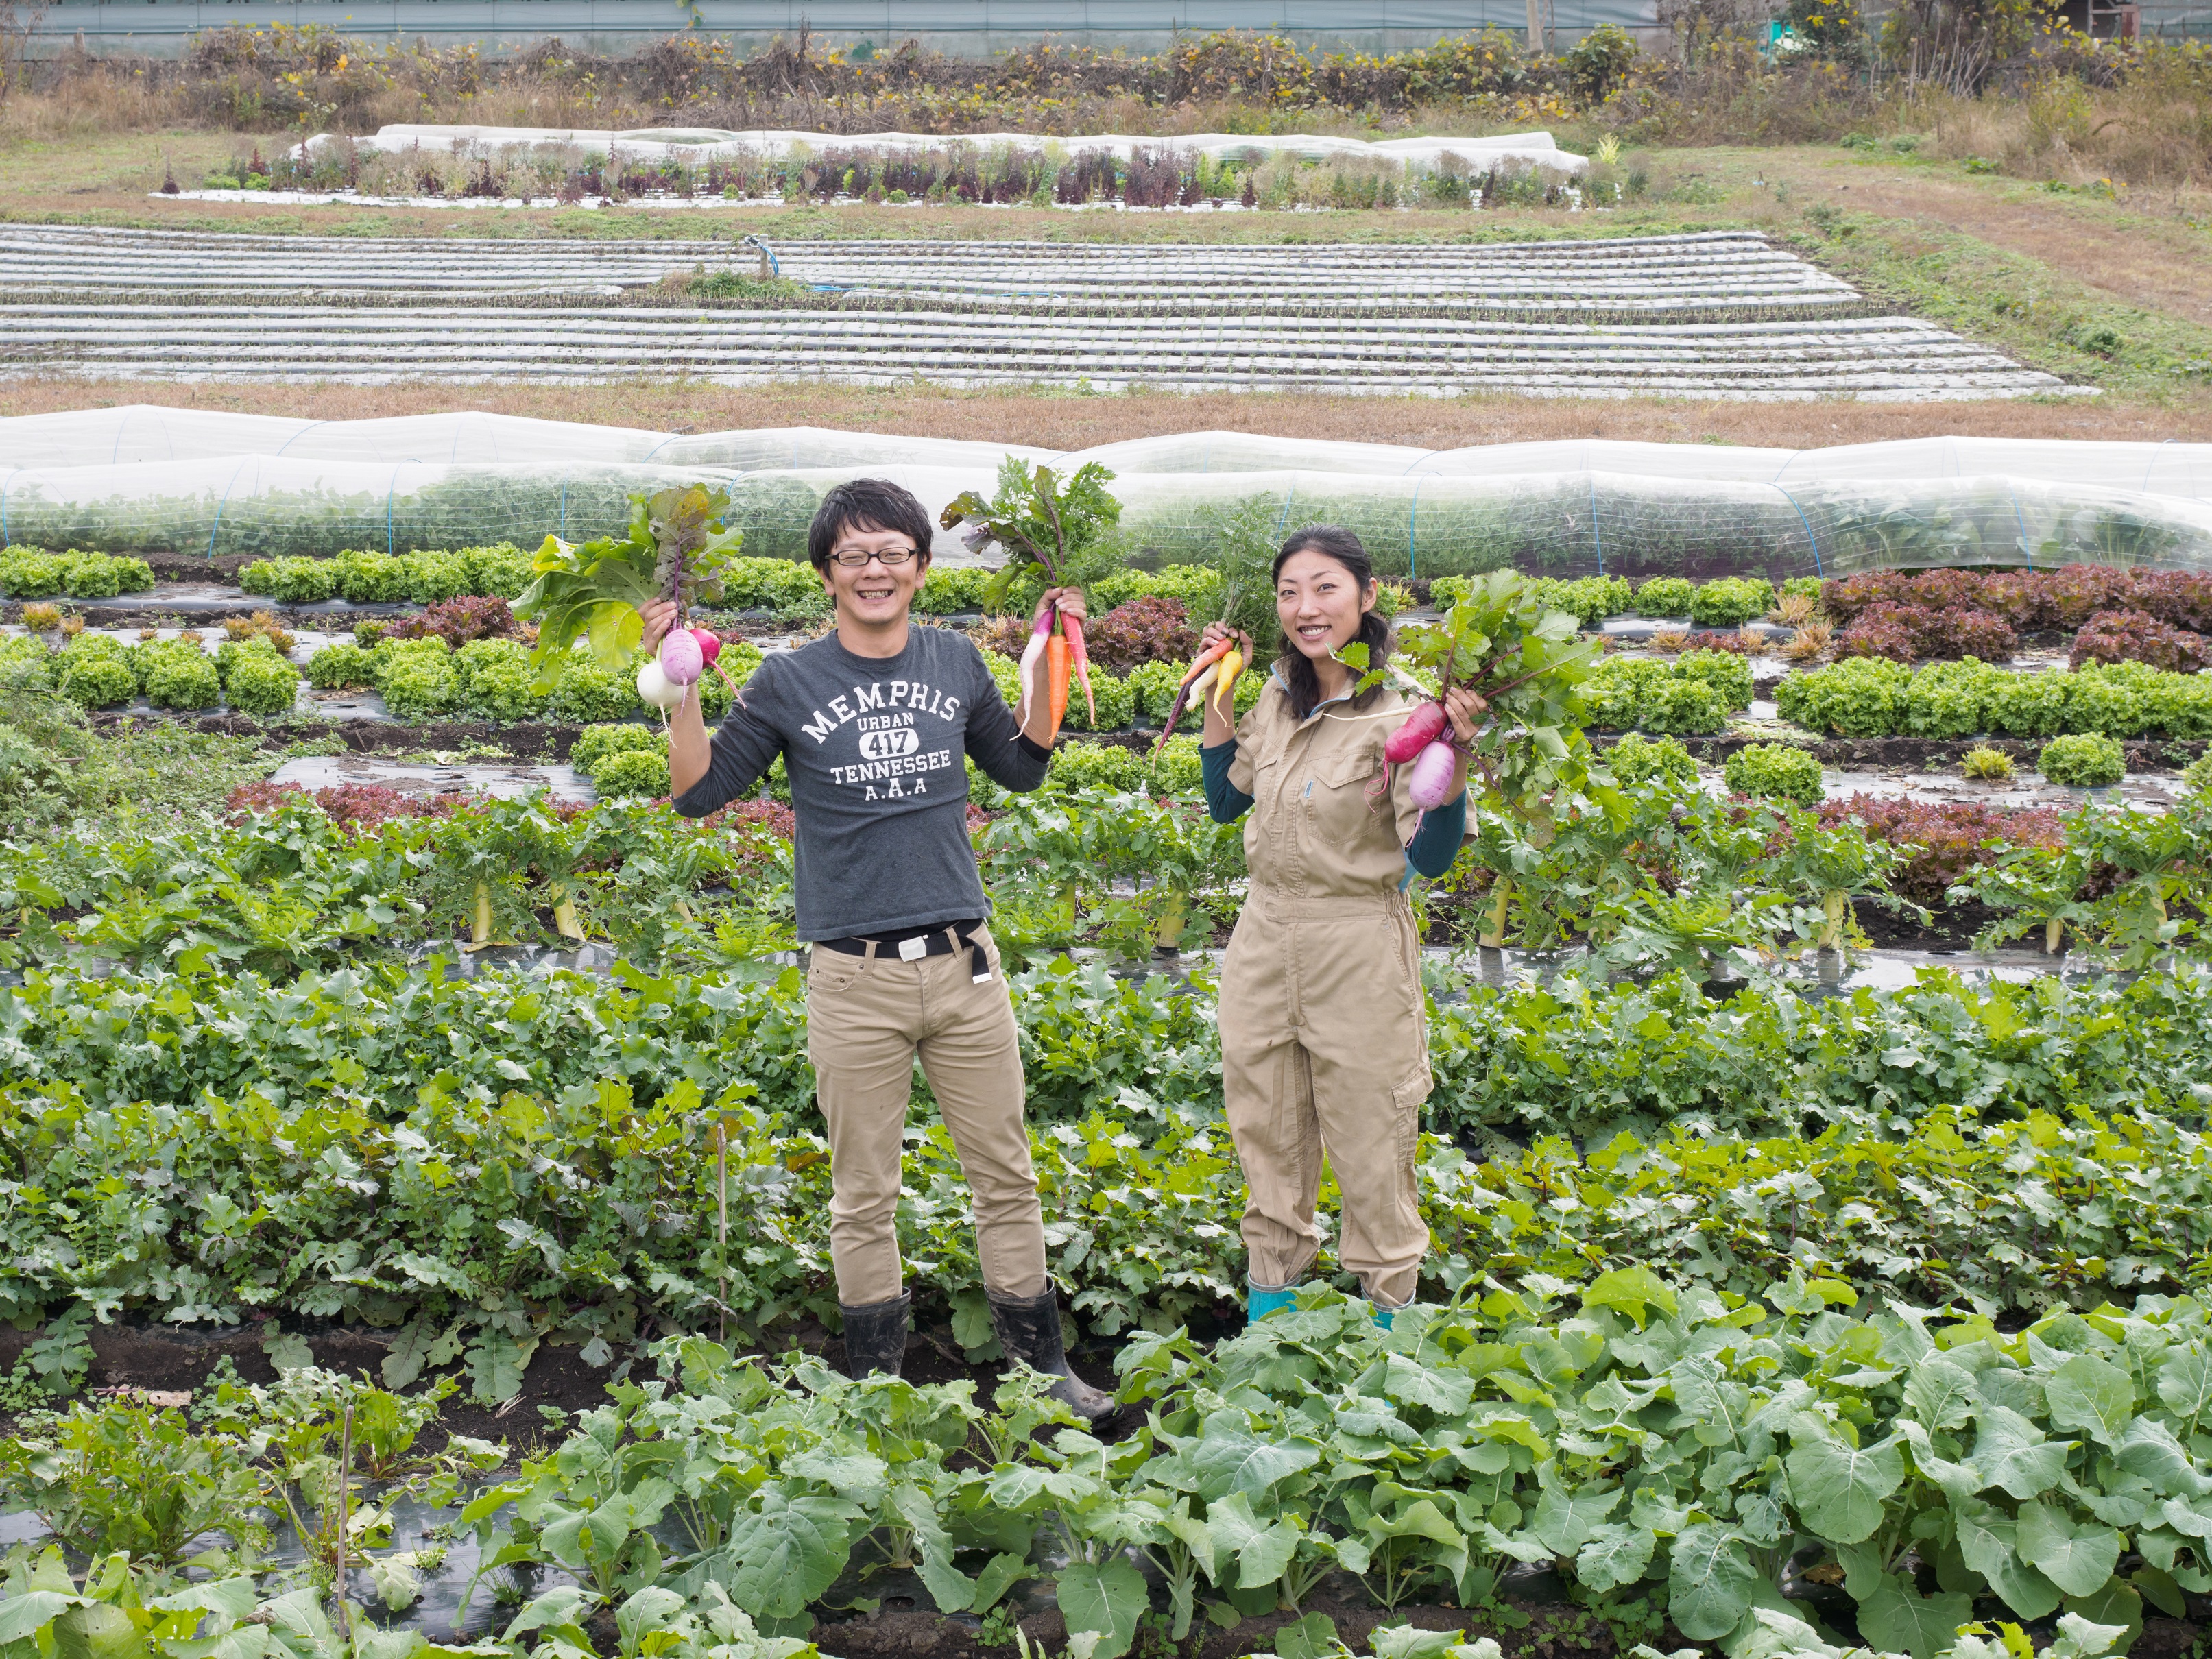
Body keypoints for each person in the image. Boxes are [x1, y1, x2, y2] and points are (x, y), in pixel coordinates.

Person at [640, 476, 1113, 1421]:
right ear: (825, 575)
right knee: (863, 1195)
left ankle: (1042, 1374)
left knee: (1006, 1176)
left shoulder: (954, 662)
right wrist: (676, 673)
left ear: (921, 568)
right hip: (851, 978)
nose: (874, 571)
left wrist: (1055, 654)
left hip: (964, 969)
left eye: (892, 553)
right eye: (853, 556)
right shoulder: (786, 683)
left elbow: (1020, 768)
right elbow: (697, 793)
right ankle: (874, 1389)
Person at [1196, 524, 1482, 1328]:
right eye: (1289, 591)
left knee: (1370, 1137)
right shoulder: (1277, 698)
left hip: (1355, 943)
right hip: (1262, 937)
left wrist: (1451, 765)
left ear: (1368, 594)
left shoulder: (1402, 713)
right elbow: (1226, 802)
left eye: (1324, 587)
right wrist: (1218, 688)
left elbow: (1429, 860)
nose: (1304, 607)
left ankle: (1389, 1337)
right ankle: (1270, 1322)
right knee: (1267, 1134)